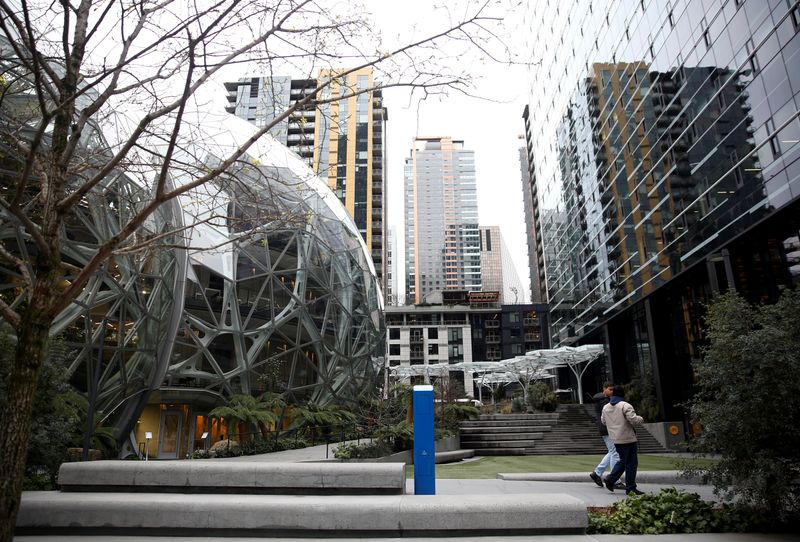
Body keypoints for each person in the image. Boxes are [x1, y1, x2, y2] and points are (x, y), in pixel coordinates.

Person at [601, 384, 645, 496]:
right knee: (631, 463)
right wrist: (641, 418)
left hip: (615, 439)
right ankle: (630, 488)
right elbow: (634, 420)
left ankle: (611, 479)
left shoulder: (606, 407)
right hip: (628, 438)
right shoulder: (625, 405)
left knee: (623, 460)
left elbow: (603, 421)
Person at [589, 382, 624, 489]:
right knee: (615, 453)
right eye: (610, 389)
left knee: (612, 451)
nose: (612, 391)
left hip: (606, 428)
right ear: (604, 389)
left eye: (613, 389)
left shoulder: (603, 399)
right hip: (607, 428)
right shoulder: (604, 400)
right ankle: (615, 480)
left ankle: (597, 473)